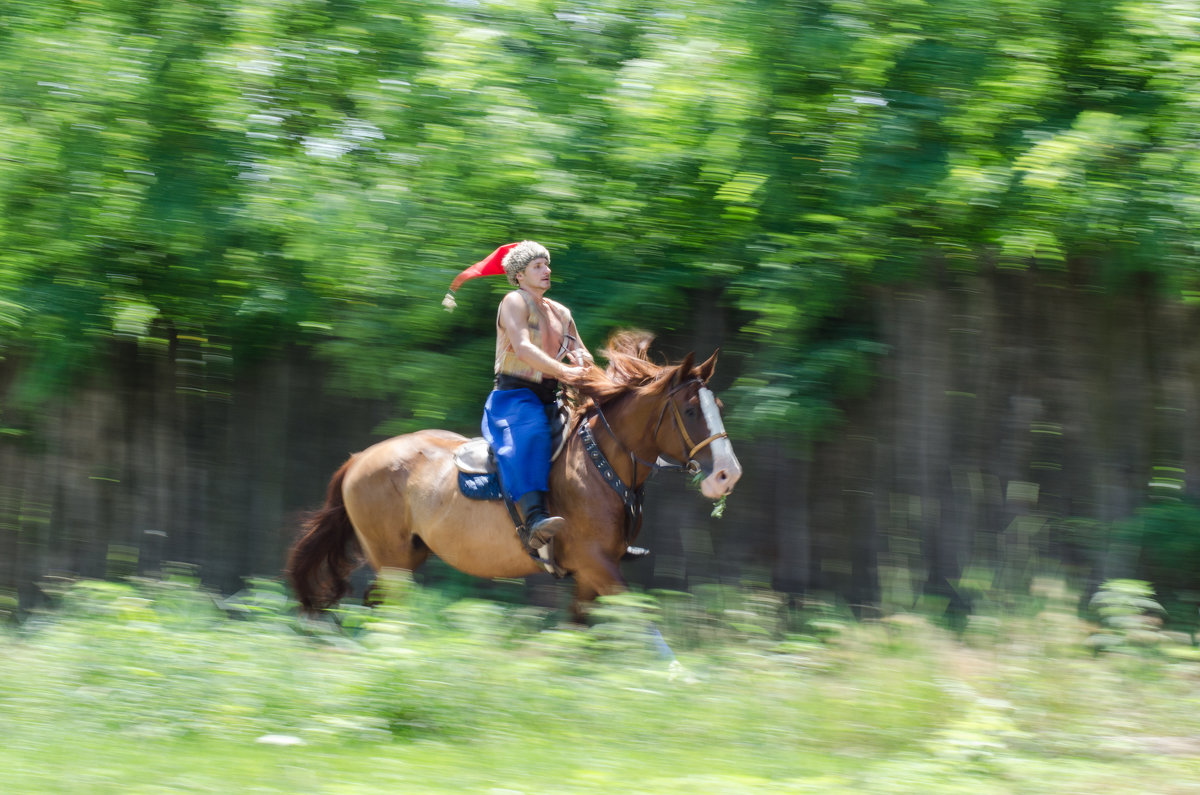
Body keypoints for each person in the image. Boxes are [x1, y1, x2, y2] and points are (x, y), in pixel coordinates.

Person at [443, 241, 593, 552]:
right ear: (519, 275)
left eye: (547, 265)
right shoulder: (514, 301)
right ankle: (534, 522)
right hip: (514, 398)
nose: (546, 270)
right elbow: (523, 349)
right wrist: (565, 373)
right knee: (533, 432)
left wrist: (586, 367)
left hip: (552, 397)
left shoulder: (562, 312)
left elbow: (580, 350)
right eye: (537, 266)